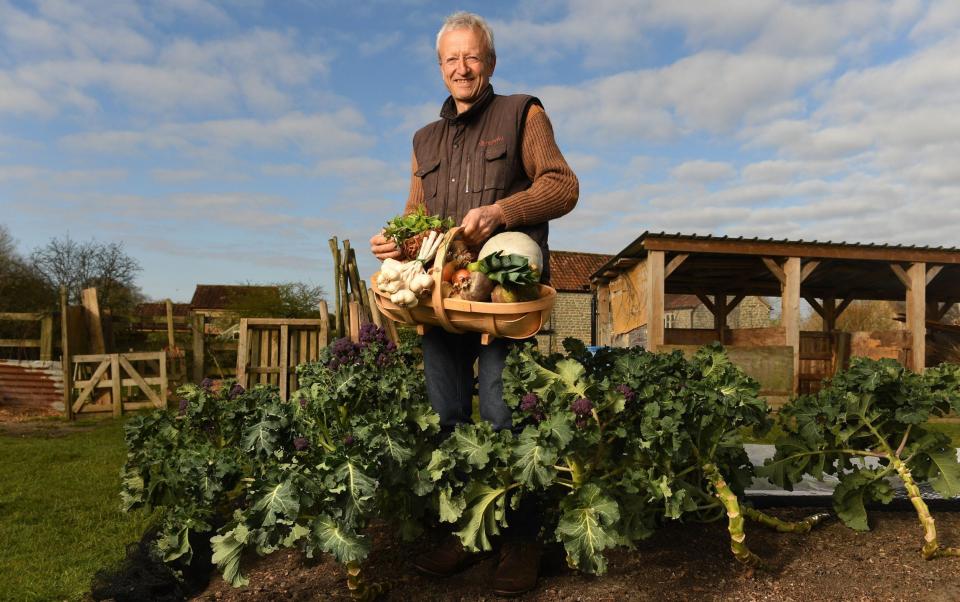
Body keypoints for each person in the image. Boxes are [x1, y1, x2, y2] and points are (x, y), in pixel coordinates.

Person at [369, 11, 578, 597]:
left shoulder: (521, 114)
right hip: (442, 301)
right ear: (440, 68)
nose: (462, 68)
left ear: (490, 62)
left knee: (506, 413)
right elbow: (418, 215)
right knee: (447, 418)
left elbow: (563, 185)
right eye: (450, 59)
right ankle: (467, 532)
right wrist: (399, 239)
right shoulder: (424, 140)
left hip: (500, 299)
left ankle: (522, 541)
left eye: (472, 57)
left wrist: (502, 212)